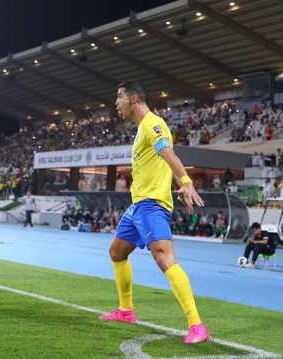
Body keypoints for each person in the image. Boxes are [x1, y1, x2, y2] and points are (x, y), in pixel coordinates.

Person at [99, 82, 210, 344]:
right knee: (117, 252)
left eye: (120, 97)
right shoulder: (141, 129)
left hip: (152, 204)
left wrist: (185, 181)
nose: (117, 102)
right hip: (137, 205)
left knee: (163, 257)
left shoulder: (152, 123)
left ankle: (197, 325)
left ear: (134, 99)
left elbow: (167, 152)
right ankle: (126, 311)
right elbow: (158, 161)